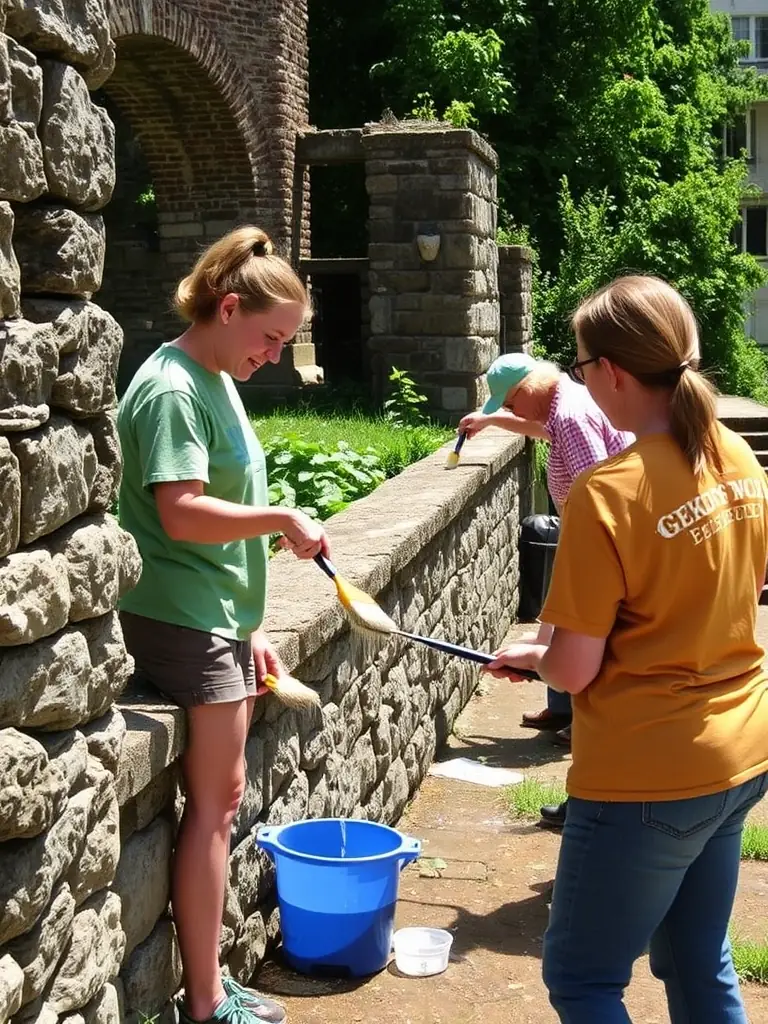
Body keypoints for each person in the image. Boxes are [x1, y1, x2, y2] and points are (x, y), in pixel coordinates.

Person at [487, 275, 768, 1023]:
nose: (581, 379)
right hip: (740, 755)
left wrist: (539, 658)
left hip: (649, 772)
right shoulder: (737, 456)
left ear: (610, 371)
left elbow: (574, 667)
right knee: (698, 962)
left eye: (580, 365)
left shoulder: (607, 494)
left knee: (583, 978)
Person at [117, 227, 329, 1024]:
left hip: (214, 619)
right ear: (228, 307)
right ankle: (206, 1004)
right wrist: (277, 515)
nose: (275, 355)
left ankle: (208, 990)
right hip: (180, 619)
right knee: (216, 805)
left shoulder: (215, 376)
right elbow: (179, 515)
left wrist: (247, 626)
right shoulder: (173, 387)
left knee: (222, 798)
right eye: (271, 337)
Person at [460, 352, 632, 827]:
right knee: (556, 638)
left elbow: (601, 490)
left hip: (598, 550)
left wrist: (586, 567)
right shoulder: (562, 406)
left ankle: (589, 798)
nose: (515, 411)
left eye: (513, 401)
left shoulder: (571, 417)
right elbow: (541, 430)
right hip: (592, 547)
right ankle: (569, 722)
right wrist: (495, 419)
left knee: (581, 659)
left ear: (532, 386)